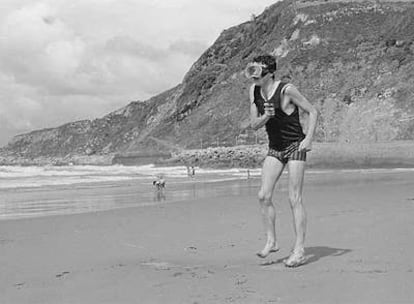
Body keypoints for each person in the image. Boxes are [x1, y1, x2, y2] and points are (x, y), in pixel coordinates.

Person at [245, 54, 318, 267]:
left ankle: (299, 250)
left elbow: (312, 111)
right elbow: (254, 124)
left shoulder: (286, 90)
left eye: (257, 73)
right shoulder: (254, 90)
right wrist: (266, 116)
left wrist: (309, 139)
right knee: (263, 195)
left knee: (294, 197)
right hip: (275, 148)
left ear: (268, 73)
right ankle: (272, 240)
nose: (254, 78)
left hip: (295, 144)